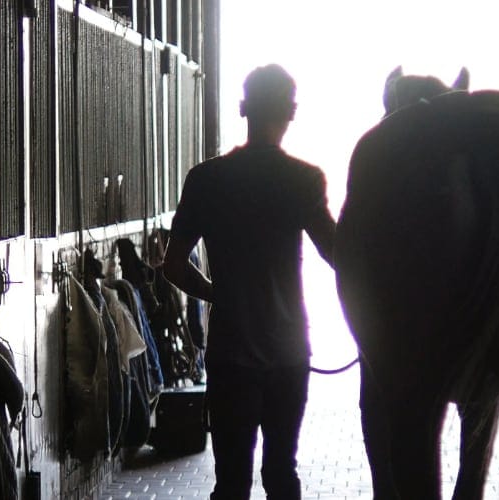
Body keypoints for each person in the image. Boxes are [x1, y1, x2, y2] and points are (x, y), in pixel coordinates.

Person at [158, 64, 336, 500]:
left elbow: (173, 267)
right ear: (291, 113)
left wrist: (218, 294)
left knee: (232, 481)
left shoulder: (207, 179)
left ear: (243, 109)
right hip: (288, 352)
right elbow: (339, 254)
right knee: (282, 473)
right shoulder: (304, 180)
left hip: (231, 352)